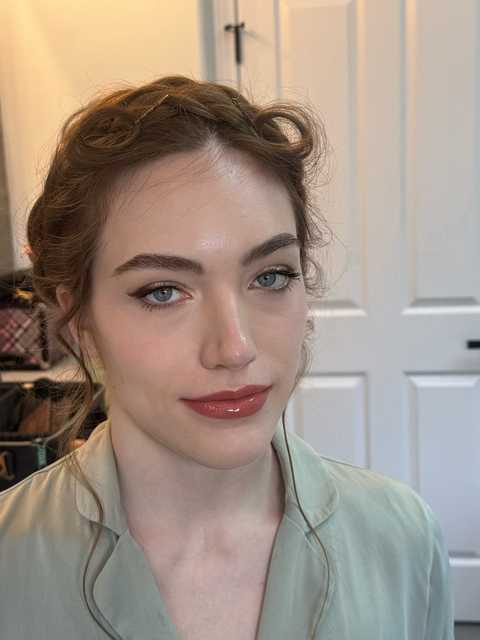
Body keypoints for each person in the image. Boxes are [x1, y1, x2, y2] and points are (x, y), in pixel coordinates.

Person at [0, 75, 454, 639]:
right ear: (79, 318)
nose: (235, 348)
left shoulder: (403, 541)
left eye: (271, 276)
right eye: (162, 291)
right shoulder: (11, 562)